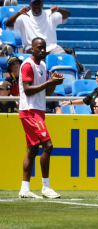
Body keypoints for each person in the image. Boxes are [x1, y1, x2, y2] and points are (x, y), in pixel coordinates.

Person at [18, 37, 64, 199]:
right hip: (30, 111)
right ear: (32, 49)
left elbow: (47, 92)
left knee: (32, 150)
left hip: (38, 110)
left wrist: (54, 83)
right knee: (48, 145)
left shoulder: (43, 65)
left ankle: (25, 189)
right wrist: (48, 82)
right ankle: (46, 187)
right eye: (39, 48)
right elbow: (28, 90)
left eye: (44, 47)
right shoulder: (27, 65)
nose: (42, 50)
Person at [6, 0, 71, 54]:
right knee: (35, 56)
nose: (37, 6)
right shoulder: (24, 16)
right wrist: (18, 13)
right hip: (31, 47)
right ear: (30, 5)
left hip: (51, 47)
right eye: (34, 4)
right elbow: (8, 24)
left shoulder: (50, 14)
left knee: (65, 59)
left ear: (42, 5)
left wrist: (59, 9)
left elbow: (67, 15)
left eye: (39, 4)